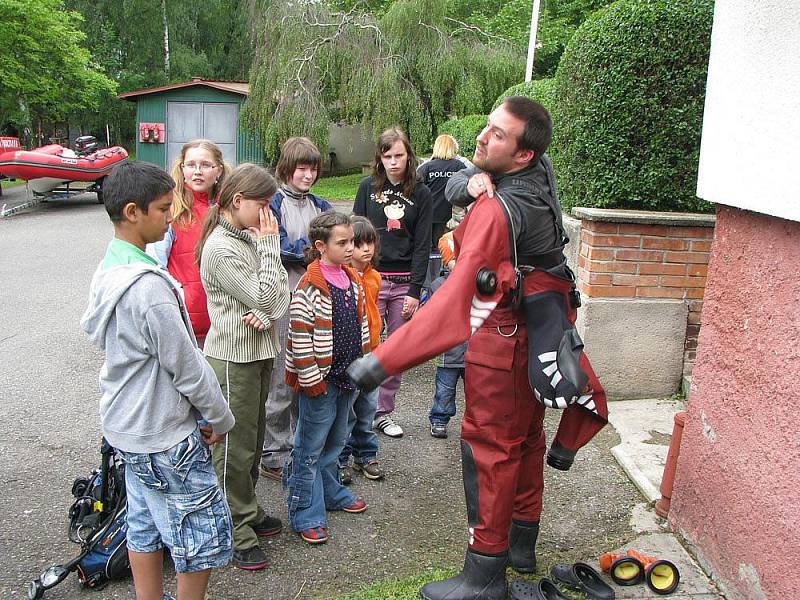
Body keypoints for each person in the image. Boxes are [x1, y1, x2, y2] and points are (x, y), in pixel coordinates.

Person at [347, 97, 610, 600]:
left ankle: (484, 576)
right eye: (486, 127)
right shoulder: (539, 176)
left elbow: (453, 305)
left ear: (523, 155)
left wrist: (380, 361)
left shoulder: (497, 211)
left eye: (497, 134)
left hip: (503, 339)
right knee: (526, 441)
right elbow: (456, 183)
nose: (482, 138)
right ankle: (519, 546)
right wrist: (465, 183)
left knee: (489, 450)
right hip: (542, 335)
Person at [81, 161, 235, 600]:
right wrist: (219, 418)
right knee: (200, 536)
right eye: (164, 208)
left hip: (126, 427)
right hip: (164, 433)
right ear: (133, 211)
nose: (171, 216)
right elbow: (186, 366)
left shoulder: (110, 268)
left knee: (143, 522)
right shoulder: (148, 289)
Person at [196, 163, 289, 571]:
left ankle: (247, 510)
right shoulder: (222, 248)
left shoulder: (247, 236)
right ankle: (235, 530)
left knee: (251, 443)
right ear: (238, 201)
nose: (269, 215)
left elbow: (278, 295)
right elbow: (267, 294)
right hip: (233, 358)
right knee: (234, 450)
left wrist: (268, 313)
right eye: (263, 205)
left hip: (258, 350)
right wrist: (270, 252)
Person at [284, 210, 371, 545]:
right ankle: (305, 510)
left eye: (352, 241)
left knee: (336, 440)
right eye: (343, 242)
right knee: (310, 446)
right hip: (319, 381)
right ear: (321, 246)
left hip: (347, 377)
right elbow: (299, 335)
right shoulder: (310, 285)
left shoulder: (352, 279)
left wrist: (364, 367)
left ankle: (331, 492)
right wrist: (310, 380)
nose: (351, 248)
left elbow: (362, 325)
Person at [353, 127, 433, 438]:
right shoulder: (366, 188)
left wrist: (415, 290)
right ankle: (359, 410)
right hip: (370, 278)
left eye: (399, 155)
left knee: (396, 351)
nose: (393, 162)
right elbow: (354, 234)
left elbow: (424, 245)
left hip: (403, 284)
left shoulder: (421, 193)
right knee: (364, 347)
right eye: (387, 156)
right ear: (380, 158)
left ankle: (383, 413)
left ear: (409, 157)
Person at [260, 137, 332, 482]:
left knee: (313, 370)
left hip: (317, 296)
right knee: (282, 377)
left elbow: (336, 240)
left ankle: (304, 445)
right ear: (288, 167)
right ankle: (274, 449)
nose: (308, 174)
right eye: (302, 168)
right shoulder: (272, 203)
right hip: (285, 296)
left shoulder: (320, 203)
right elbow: (278, 248)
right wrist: (316, 250)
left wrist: (316, 250)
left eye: (313, 168)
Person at [151, 140, 227, 347]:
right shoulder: (170, 209)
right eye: (191, 165)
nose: (197, 171)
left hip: (224, 322)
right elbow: (155, 266)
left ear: (218, 170)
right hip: (185, 322)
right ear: (182, 168)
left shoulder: (230, 209)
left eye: (205, 165)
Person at [338, 215, 385, 483]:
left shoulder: (375, 277)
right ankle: (341, 458)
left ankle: (366, 454)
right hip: (351, 353)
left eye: (370, 243)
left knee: (368, 407)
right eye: (359, 244)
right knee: (348, 411)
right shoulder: (342, 277)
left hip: (373, 351)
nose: (366, 249)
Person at [427, 231, 467, 439]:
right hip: (448, 352)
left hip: (475, 352)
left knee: (477, 393)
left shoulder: (481, 284)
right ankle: (439, 419)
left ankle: (475, 422)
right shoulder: (439, 286)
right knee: (444, 391)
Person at [417, 134, 470, 248]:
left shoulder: (426, 167)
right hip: (451, 218)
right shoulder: (460, 167)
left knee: (427, 249)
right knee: (447, 249)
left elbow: (414, 189)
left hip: (428, 216)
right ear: (453, 148)